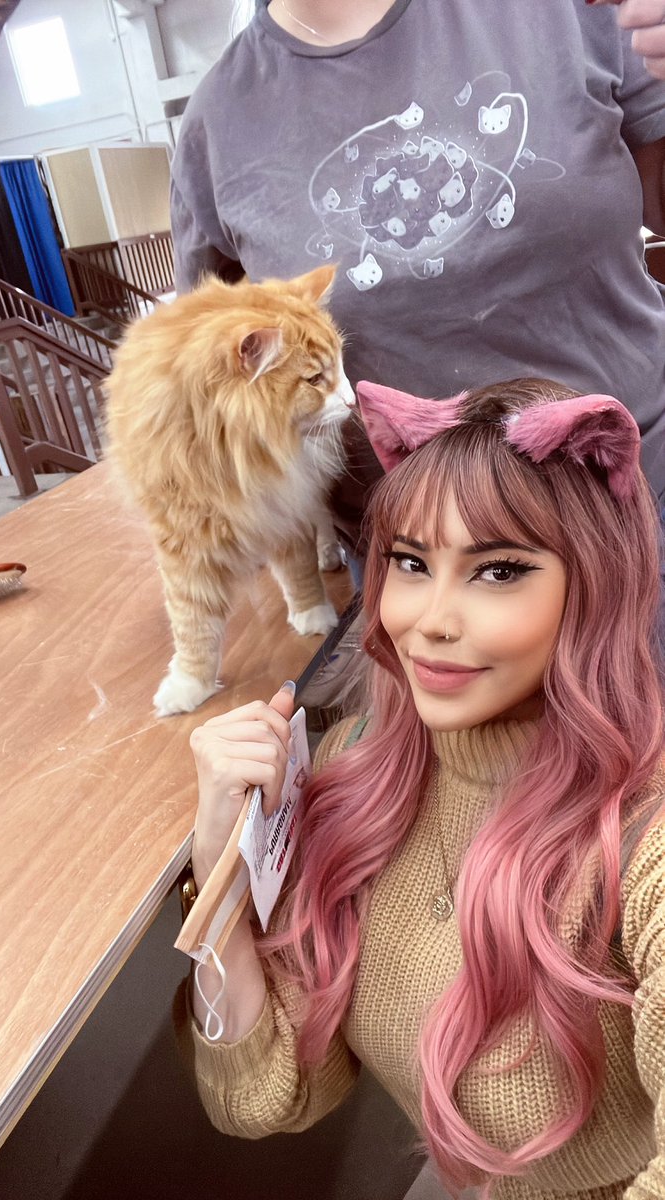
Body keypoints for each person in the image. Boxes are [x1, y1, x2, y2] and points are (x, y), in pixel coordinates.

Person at [174, 377, 665, 1199]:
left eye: (498, 571)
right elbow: (265, 1099)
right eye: (410, 562)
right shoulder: (355, 774)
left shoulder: (645, 841)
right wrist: (220, 872)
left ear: (593, 585)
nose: (430, 619)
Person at [171, 0, 665, 565]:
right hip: (418, 561)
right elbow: (211, 383)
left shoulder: (569, 12)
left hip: (640, 510)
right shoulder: (217, 124)